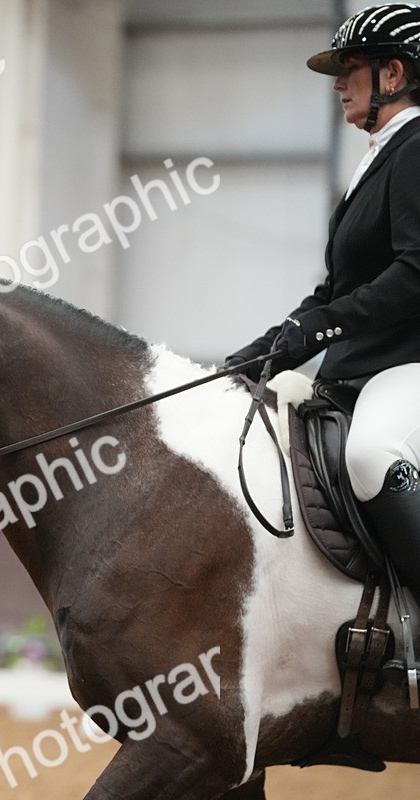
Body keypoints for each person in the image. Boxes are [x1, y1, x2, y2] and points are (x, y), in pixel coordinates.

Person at [225, 4, 420, 591]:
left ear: (393, 74)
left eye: (349, 68)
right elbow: (333, 293)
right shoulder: (379, 159)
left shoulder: (416, 150)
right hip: (358, 370)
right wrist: (255, 357)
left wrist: (324, 327)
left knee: (371, 453)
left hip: (405, 366)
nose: (338, 85)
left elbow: (414, 273)